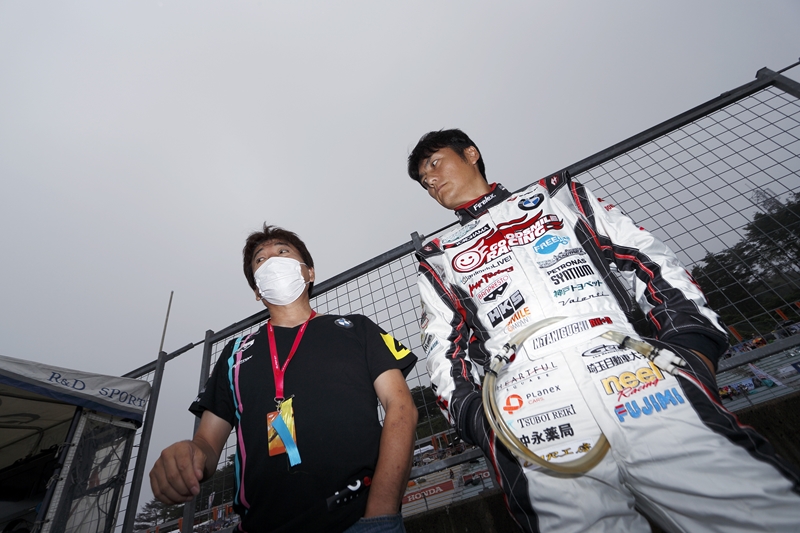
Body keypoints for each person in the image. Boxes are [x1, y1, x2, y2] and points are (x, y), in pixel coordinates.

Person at [407, 129, 800, 532]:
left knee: (753, 510)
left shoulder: (556, 196)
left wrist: (691, 343)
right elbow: (444, 352)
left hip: (634, 373)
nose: (431, 180)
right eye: (423, 180)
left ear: (471, 154)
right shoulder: (438, 257)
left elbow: (648, 259)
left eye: (434, 164)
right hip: (527, 408)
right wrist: (478, 420)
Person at [150, 225, 418, 532]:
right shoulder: (234, 354)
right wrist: (189, 455)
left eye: (282, 251)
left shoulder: (357, 329)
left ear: (309, 272)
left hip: (359, 520)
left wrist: (380, 513)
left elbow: (401, 408)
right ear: (257, 291)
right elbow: (207, 445)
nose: (272, 260)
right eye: (260, 259)